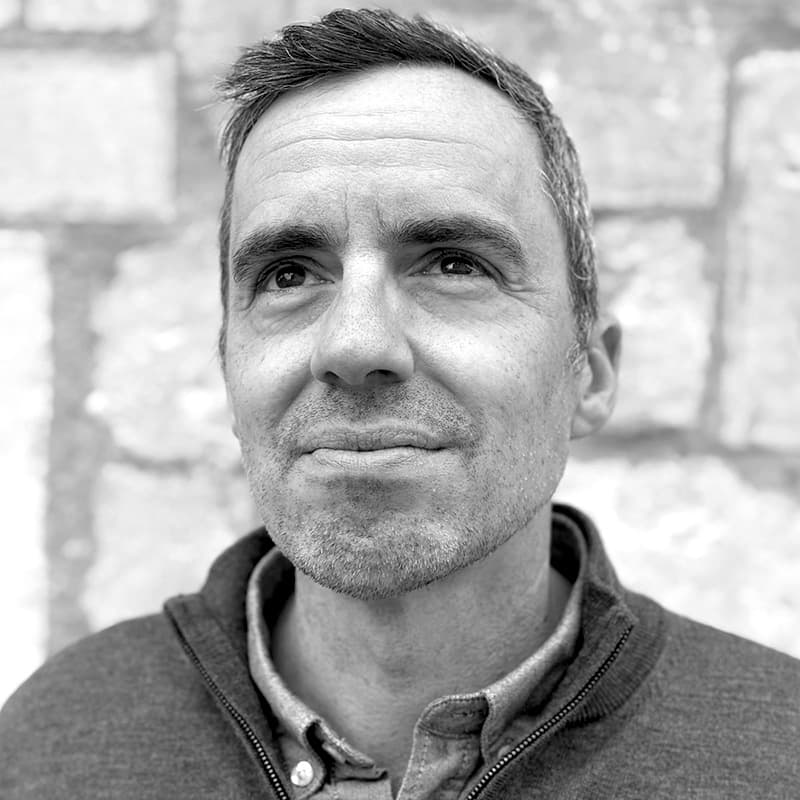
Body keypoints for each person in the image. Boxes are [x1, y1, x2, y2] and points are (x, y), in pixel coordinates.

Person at [1, 7, 799, 799]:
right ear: (229, 366)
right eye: (288, 275)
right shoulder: (53, 745)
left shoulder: (777, 758)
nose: (355, 345)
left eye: (453, 264)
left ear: (589, 373)